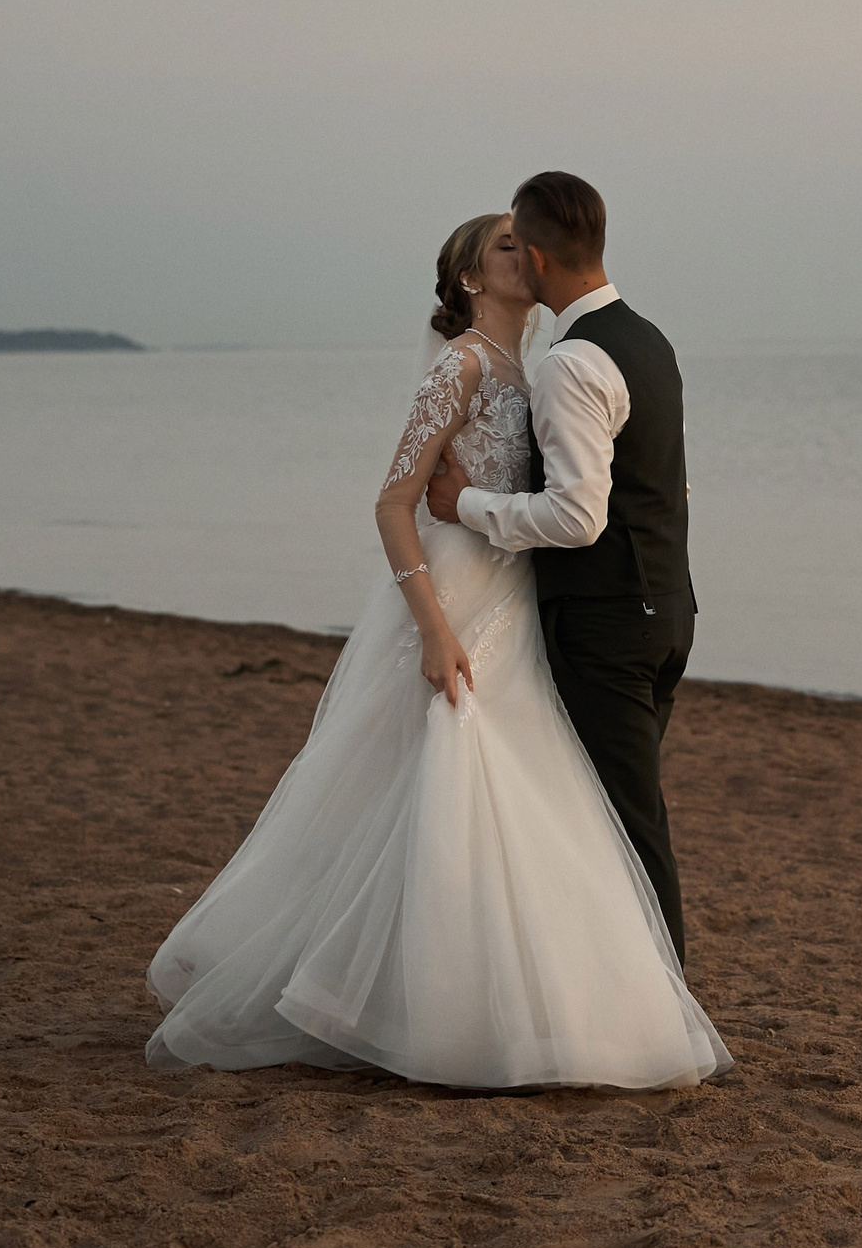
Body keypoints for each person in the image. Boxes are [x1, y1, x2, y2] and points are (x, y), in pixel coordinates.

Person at [143, 208, 729, 1091]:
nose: (522, 254)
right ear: (468, 278)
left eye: (523, 242)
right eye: (503, 245)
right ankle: (410, 1006)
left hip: (515, 597)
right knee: (442, 781)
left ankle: (494, 1000)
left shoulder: (536, 370)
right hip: (456, 594)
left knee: (519, 790)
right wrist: (433, 626)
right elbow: (392, 502)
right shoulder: (460, 367)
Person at [425, 172, 702, 966]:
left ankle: (662, 1001)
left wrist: (467, 504)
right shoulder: (649, 340)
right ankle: (618, 987)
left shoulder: (569, 363)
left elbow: (578, 517)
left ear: (539, 259)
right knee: (617, 813)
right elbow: (666, 481)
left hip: (609, 624)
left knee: (623, 821)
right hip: (669, 612)